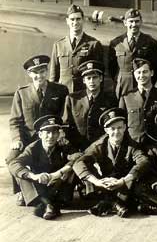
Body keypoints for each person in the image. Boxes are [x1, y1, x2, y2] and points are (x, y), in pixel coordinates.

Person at [8, 55, 68, 206]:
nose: (39, 75)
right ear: (29, 74)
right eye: (35, 72)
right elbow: (15, 121)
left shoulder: (60, 90)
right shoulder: (22, 93)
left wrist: (61, 133)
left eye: (42, 71)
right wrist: (17, 139)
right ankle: (24, 190)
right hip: (30, 139)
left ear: (47, 71)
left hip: (52, 137)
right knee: (11, 158)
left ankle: (57, 189)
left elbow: (66, 116)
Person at [73, 108, 150, 217]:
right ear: (106, 130)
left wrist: (123, 180)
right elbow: (78, 163)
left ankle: (109, 203)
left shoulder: (132, 145)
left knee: (136, 188)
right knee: (87, 186)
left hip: (124, 183)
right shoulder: (99, 145)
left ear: (124, 127)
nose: (116, 132)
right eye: (112, 129)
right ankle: (114, 203)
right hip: (104, 183)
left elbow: (143, 161)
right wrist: (96, 182)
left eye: (119, 128)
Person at [9, 115, 80, 220]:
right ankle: (48, 205)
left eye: (54, 132)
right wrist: (34, 176)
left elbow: (78, 157)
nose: (51, 136)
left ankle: (46, 204)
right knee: (21, 173)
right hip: (39, 185)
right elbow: (14, 163)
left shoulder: (63, 146)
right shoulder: (33, 148)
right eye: (47, 132)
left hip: (57, 185)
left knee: (74, 168)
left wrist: (58, 174)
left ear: (59, 134)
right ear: (40, 134)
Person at [108, 8, 157, 99]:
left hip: (143, 86)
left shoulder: (150, 42)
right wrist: (120, 79)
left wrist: (149, 81)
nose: (134, 25)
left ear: (141, 22)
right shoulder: (116, 43)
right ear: (125, 23)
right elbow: (111, 68)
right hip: (123, 87)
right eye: (131, 21)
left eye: (137, 21)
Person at [63, 60, 118, 150]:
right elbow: (66, 126)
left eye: (95, 77)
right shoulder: (73, 99)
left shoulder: (110, 100)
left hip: (101, 148)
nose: (92, 81)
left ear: (101, 79)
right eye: (88, 78)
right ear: (84, 80)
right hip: (77, 148)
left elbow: (111, 127)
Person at [49, 4, 104, 92]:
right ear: (67, 21)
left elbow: (100, 73)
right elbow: (53, 75)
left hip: (83, 93)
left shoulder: (93, 44)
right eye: (72, 19)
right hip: (63, 93)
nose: (75, 22)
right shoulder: (58, 45)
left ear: (83, 20)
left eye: (78, 19)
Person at [118, 58, 157, 143]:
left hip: (156, 144)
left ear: (152, 73)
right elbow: (121, 124)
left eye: (145, 72)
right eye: (138, 72)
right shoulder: (126, 97)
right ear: (134, 74)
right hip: (134, 145)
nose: (141, 76)